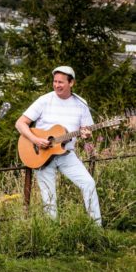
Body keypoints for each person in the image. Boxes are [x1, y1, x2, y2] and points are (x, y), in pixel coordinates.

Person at [15, 66, 102, 226]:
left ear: (71, 83)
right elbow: (20, 123)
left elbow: (87, 131)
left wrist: (87, 134)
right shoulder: (44, 100)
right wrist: (35, 140)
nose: (56, 85)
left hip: (67, 155)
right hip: (42, 155)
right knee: (49, 197)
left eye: (61, 82)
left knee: (88, 183)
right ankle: (52, 233)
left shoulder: (81, 103)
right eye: (55, 81)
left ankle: (96, 228)